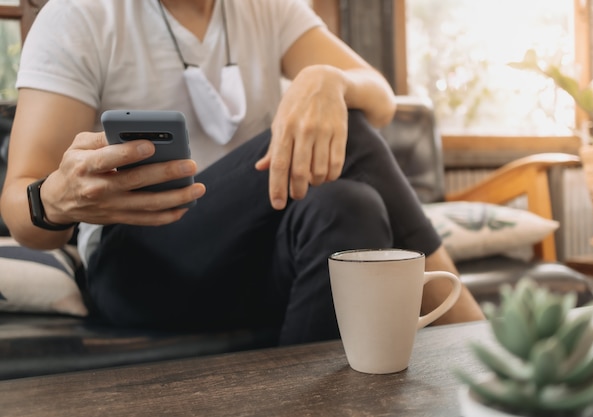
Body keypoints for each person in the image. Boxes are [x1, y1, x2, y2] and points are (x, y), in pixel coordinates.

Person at [0, 0, 484, 344]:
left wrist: (328, 78)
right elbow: (22, 213)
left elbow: (378, 97)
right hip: (140, 267)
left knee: (348, 206)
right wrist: (54, 199)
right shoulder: (80, 16)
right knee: (352, 134)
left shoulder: (268, 8)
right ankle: (470, 336)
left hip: (254, 262)